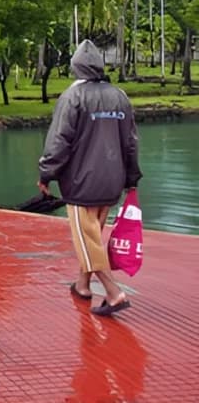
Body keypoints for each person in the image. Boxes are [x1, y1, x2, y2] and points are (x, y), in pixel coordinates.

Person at [38, 39, 142, 316]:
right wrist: (131, 176)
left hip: (82, 183)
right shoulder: (119, 95)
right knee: (93, 236)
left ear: (76, 68)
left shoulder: (73, 97)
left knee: (87, 240)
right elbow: (131, 141)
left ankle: (113, 292)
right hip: (112, 181)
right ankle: (82, 285)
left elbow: (59, 140)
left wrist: (46, 173)